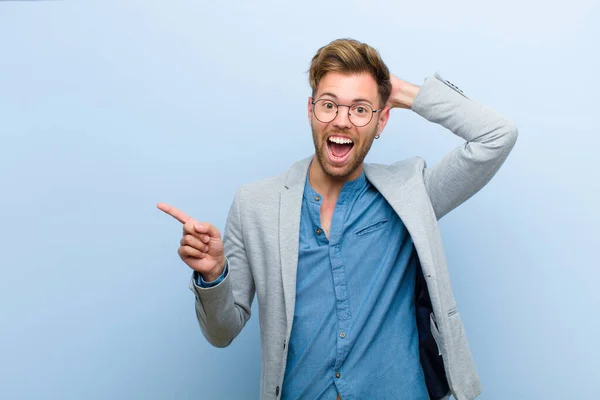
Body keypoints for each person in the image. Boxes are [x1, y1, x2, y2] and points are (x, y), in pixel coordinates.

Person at [157, 38, 517, 400]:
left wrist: (402, 92)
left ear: (382, 119)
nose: (342, 121)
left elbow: (497, 136)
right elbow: (222, 333)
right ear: (311, 110)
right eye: (329, 105)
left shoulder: (412, 194)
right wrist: (213, 275)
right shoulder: (255, 205)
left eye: (360, 110)